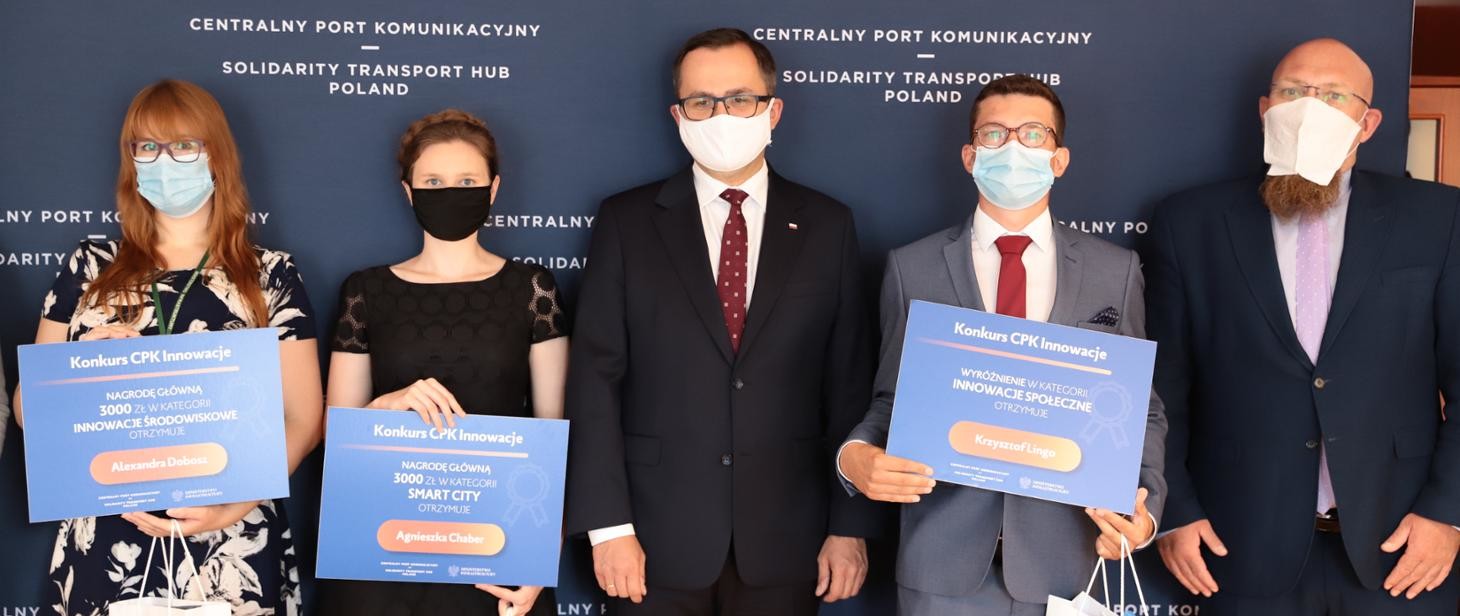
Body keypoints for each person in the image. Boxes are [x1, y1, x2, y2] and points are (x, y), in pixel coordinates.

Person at [564, 27, 881, 615]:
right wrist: (608, 527)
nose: (720, 116)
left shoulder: (828, 225)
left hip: (790, 539)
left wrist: (849, 525)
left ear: (772, 110)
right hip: (650, 543)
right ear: (678, 115)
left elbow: (849, 384)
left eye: (739, 99)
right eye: (701, 102)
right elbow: (595, 380)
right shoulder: (627, 222)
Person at [1148, 38, 1460, 615]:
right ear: (1266, 110)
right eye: (1294, 92)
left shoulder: (1438, 218)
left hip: (1402, 549)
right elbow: (1162, 387)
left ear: (1367, 123)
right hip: (1235, 545)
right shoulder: (1189, 223)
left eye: (1334, 96)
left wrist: (1448, 512)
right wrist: (1175, 512)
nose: (1310, 107)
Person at [837, 74, 1167, 615]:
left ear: (1059, 159)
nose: (1013, 147)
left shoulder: (1116, 272)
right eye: (994, 134)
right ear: (970, 156)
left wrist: (1145, 511)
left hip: (1067, 567)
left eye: (1033, 134)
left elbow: (1139, 409)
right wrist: (854, 458)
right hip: (940, 568)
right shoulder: (911, 268)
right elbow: (892, 399)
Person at [12, 79, 323, 614]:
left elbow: (303, 416)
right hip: (107, 534)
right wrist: (77, 368)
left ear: (217, 155)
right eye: (148, 147)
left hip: (232, 538)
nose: (164, 161)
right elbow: (26, 410)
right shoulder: (90, 266)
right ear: (131, 160)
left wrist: (232, 507)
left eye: (183, 145)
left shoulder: (270, 274)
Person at [316, 109, 566, 616]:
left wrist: (543, 558)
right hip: (382, 552)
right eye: (433, 181)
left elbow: (558, 440)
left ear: (493, 189)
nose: (450, 192)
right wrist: (387, 405)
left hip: (495, 554)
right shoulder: (366, 291)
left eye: (467, 181)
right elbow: (336, 437)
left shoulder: (532, 289)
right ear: (408, 191)